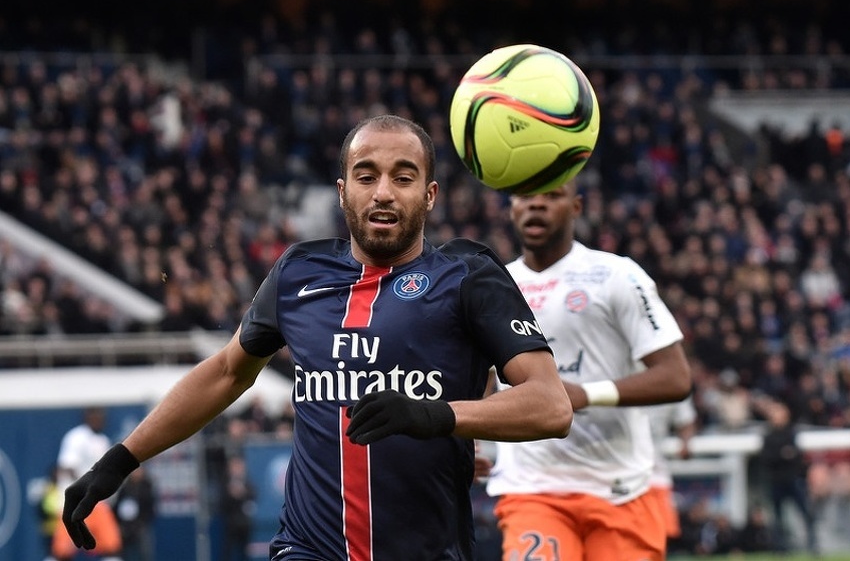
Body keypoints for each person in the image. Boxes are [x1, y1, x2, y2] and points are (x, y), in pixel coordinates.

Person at [60, 114, 573, 561]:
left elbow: (550, 405)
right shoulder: (298, 272)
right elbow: (224, 373)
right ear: (342, 190)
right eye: (366, 175)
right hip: (307, 549)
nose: (384, 192)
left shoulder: (468, 276)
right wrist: (120, 459)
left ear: (430, 194)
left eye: (404, 177)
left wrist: (437, 416)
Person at [485, 182, 692, 561]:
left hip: (619, 487)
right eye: (527, 197)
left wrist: (585, 394)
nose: (537, 206)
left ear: (577, 206)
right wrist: (469, 445)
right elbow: (482, 377)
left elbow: (676, 377)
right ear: (511, 207)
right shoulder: (493, 286)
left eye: (551, 196)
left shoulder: (617, 276)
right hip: (532, 488)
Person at [52, 406, 123, 561]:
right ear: (87, 417)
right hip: (74, 502)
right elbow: (67, 466)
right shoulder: (76, 437)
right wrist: (87, 487)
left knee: (112, 547)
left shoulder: (102, 440)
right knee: (62, 552)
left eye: (101, 417)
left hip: (97, 503)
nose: (99, 420)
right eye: (95, 416)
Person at [756, 398, 819, 554]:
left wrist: (785, 455)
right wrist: (784, 454)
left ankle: (812, 545)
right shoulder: (768, 436)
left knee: (805, 513)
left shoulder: (792, 432)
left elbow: (796, 456)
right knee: (777, 517)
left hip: (793, 479)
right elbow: (767, 458)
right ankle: (780, 548)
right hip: (777, 480)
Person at [645, 395, 698, 543]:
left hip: (654, 471)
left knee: (661, 532)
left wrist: (686, 444)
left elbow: (686, 420)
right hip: (618, 471)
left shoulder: (669, 378)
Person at [114, 466, 156, 561]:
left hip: (141, 527)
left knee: (143, 552)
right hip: (125, 527)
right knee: (126, 553)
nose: (136, 473)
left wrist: (141, 523)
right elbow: (117, 506)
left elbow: (150, 509)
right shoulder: (125, 488)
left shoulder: (147, 487)